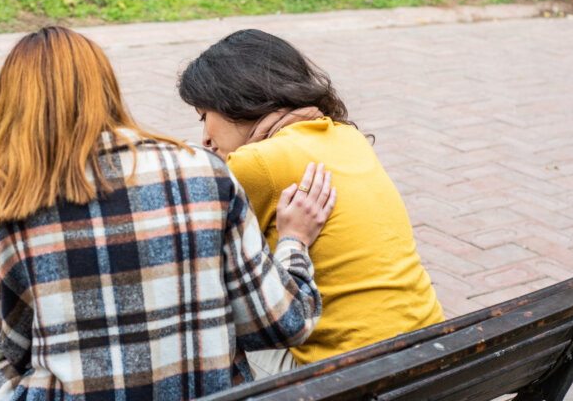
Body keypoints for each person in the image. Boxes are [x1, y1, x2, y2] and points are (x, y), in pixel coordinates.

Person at [0, 26, 336, 400]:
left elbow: (12, 343)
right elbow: (287, 322)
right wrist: (293, 243)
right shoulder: (206, 173)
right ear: (106, 89)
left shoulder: (7, 210)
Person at [178, 28, 445, 378]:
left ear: (235, 100)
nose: (205, 137)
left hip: (347, 371)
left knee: (208, 334)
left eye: (203, 115)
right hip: (431, 343)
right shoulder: (346, 135)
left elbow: (199, 261)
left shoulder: (255, 163)